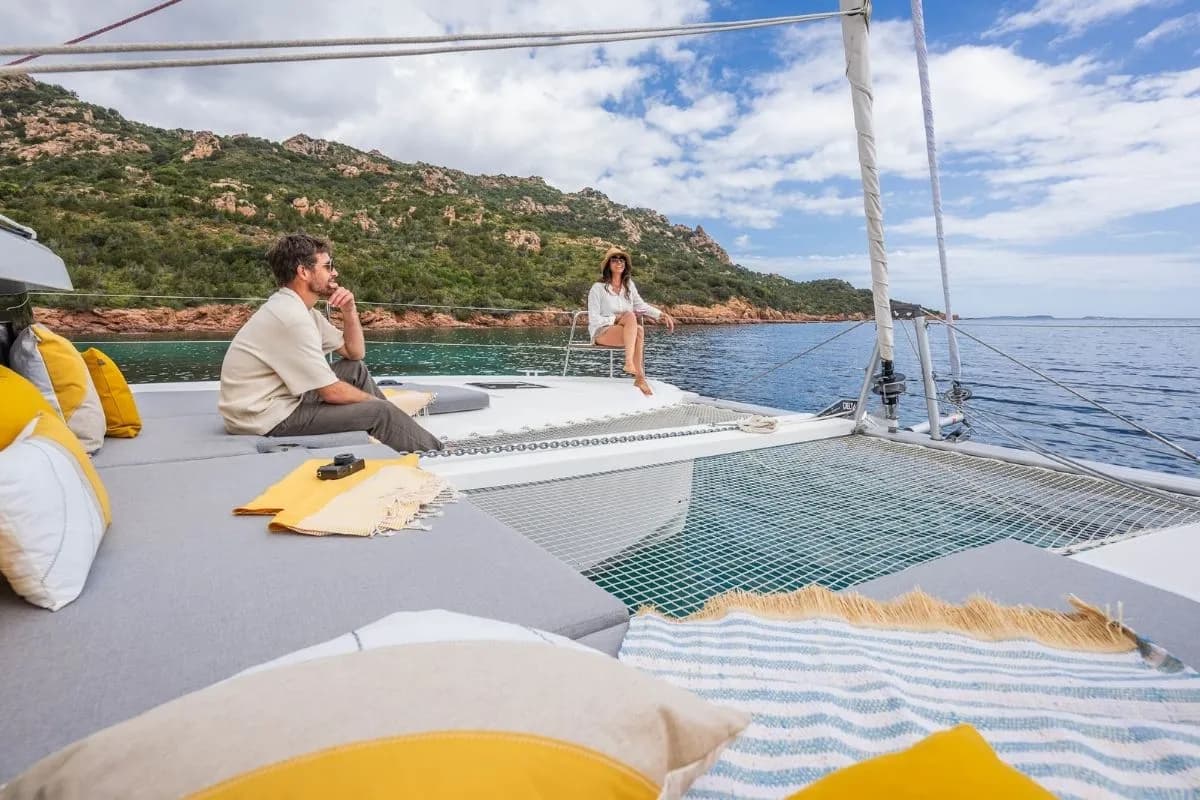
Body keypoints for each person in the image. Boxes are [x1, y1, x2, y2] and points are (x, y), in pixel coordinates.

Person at [218, 233, 443, 453]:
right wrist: (375, 404)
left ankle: (400, 435)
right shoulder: (291, 318)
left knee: (354, 369)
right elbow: (331, 393)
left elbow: (354, 353)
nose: (335, 273)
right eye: (327, 267)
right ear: (303, 272)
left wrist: (349, 310)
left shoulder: (303, 311)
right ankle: (436, 454)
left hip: (281, 399)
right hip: (263, 416)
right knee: (379, 412)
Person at [587, 247, 674, 395]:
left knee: (638, 328)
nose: (619, 262)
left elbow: (641, 305)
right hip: (602, 331)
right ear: (608, 264)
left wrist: (661, 315)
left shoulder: (629, 286)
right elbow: (594, 319)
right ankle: (630, 365)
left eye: (622, 260)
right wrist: (615, 318)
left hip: (625, 330)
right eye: (614, 259)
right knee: (631, 317)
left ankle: (639, 377)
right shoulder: (598, 288)